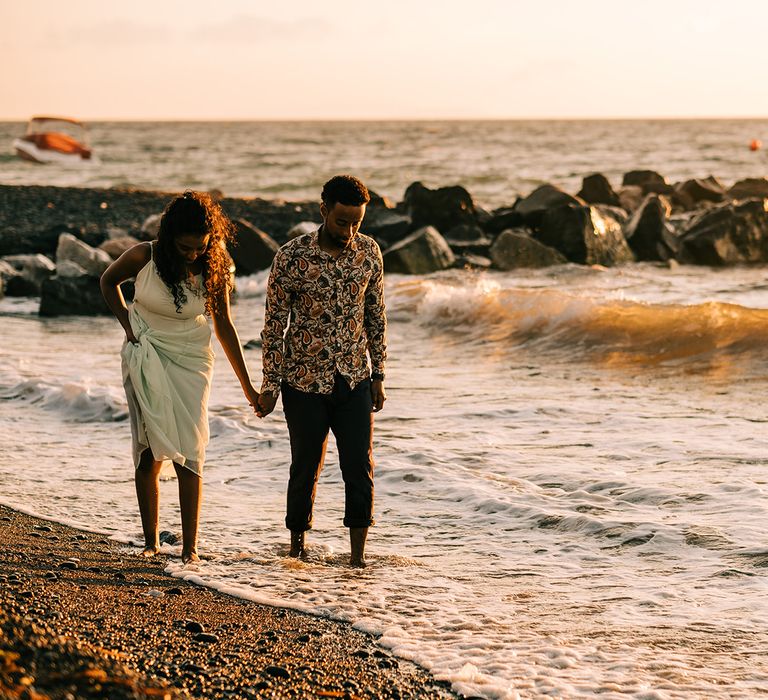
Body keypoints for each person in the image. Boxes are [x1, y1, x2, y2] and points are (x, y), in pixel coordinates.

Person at [100, 191, 259, 563]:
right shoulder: (145, 255)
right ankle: (151, 542)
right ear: (170, 237)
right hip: (147, 352)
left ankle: (190, 549)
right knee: (148, 450)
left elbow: (224, 326)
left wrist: (248, 388)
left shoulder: (213, 264)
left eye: (199, 247)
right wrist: (127, 325)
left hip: (192, 359)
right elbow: (108, 281)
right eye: (185, 247)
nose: (193, 254)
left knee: (190, 451)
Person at [256, 174, 387, 567]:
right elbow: (274, 325)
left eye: (357, 222)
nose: (350, 230)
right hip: (303, 382)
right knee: (305, 467)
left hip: (354, 379)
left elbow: (375, 315)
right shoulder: (291, 257)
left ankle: (358, 560)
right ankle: (296, 551)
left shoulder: (369, 253)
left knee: (359, 468)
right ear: (324, 210)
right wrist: (270, 383)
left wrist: (378, 374)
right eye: (342, 221)